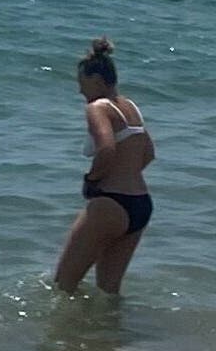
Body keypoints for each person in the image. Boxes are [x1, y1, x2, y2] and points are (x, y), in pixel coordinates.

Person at [53, 37, 154, 294]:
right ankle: (108, 333)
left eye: (82, 84)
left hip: (111, 202)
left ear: (97, 80)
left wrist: (93, 181)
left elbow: (106, 148)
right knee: (109, 290)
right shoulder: (131, 107)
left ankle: (68, 334)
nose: (80, 92)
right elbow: (149, 153)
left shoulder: (97, 107)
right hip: (140, 204)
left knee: (63, 285)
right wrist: (126, 174)